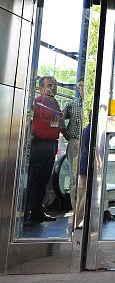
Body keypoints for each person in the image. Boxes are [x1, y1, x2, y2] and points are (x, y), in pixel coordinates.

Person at [24, 75, 63, 225]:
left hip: (51, 144)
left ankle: (37, 212)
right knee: (34, 179)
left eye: (55, 85)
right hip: (40, 143)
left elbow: (58, 122)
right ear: (41, 88)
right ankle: (26, 212)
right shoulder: (38, 102)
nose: (53, 88)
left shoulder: (55, 103)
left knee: (43, 180)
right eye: (49, 85)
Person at [61, 77, 84, 225]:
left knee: (92, 175)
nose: (82, 88)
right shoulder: (72, 104)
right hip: (75, 142)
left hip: (91, 144)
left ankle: (88, 208)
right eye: (80, 86)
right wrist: (66, 135)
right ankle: (76, 209)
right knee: (75, 176)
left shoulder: (96, 105)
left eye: (84, 85)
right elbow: (59, 119)